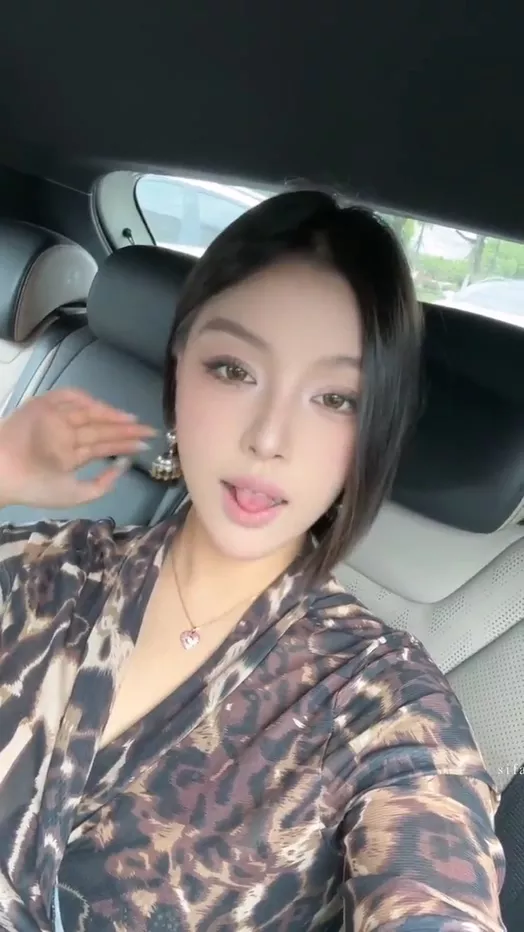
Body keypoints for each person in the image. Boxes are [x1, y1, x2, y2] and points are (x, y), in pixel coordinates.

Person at [0, 190, 505, 932]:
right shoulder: (50, 573)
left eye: (336, 398)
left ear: (375, 430)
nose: (270, 438)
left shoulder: (381, 708)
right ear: (179, 371)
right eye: (234, 370)